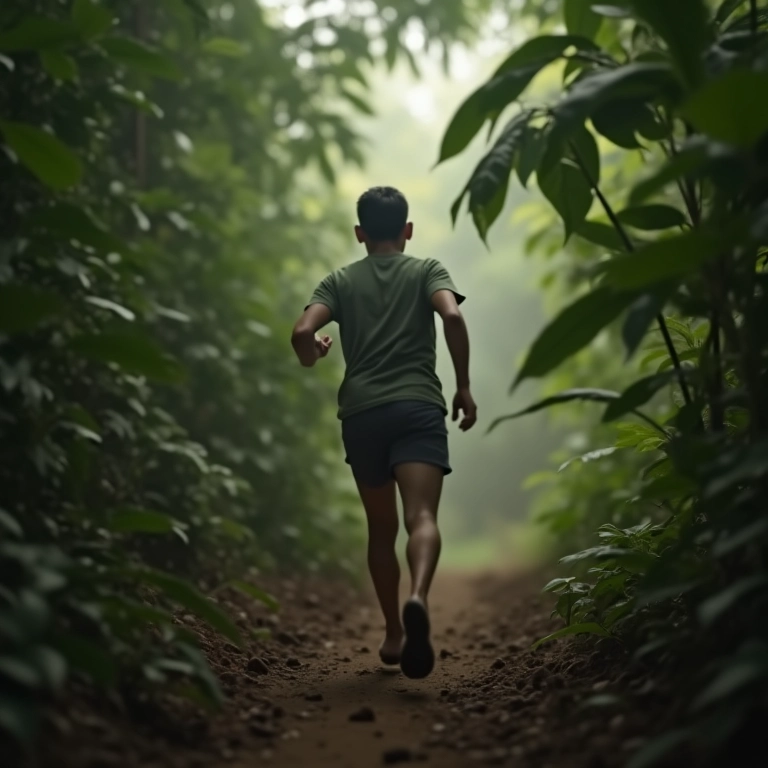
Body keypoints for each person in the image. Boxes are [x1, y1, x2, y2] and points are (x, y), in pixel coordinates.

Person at [290, 186, 477, 679]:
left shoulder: (338, 281)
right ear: (407, 230)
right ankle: (418, 595)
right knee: (421, 518)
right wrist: (463, 387)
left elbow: (302, 334)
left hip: (363, 415)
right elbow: (452, 315)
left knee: (381, 529)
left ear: (359, 233)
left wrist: (315, 353)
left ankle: (394, 631)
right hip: (417, 407)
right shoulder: (427, 270)